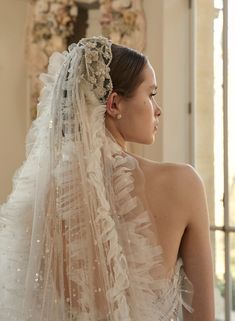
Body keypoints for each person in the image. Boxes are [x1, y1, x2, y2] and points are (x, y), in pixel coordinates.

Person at [0, 36, 214, 321]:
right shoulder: (183, 184)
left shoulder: (40, 202)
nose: (158, 108)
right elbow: (203, 316)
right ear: (114, 104)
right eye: (151, 94)